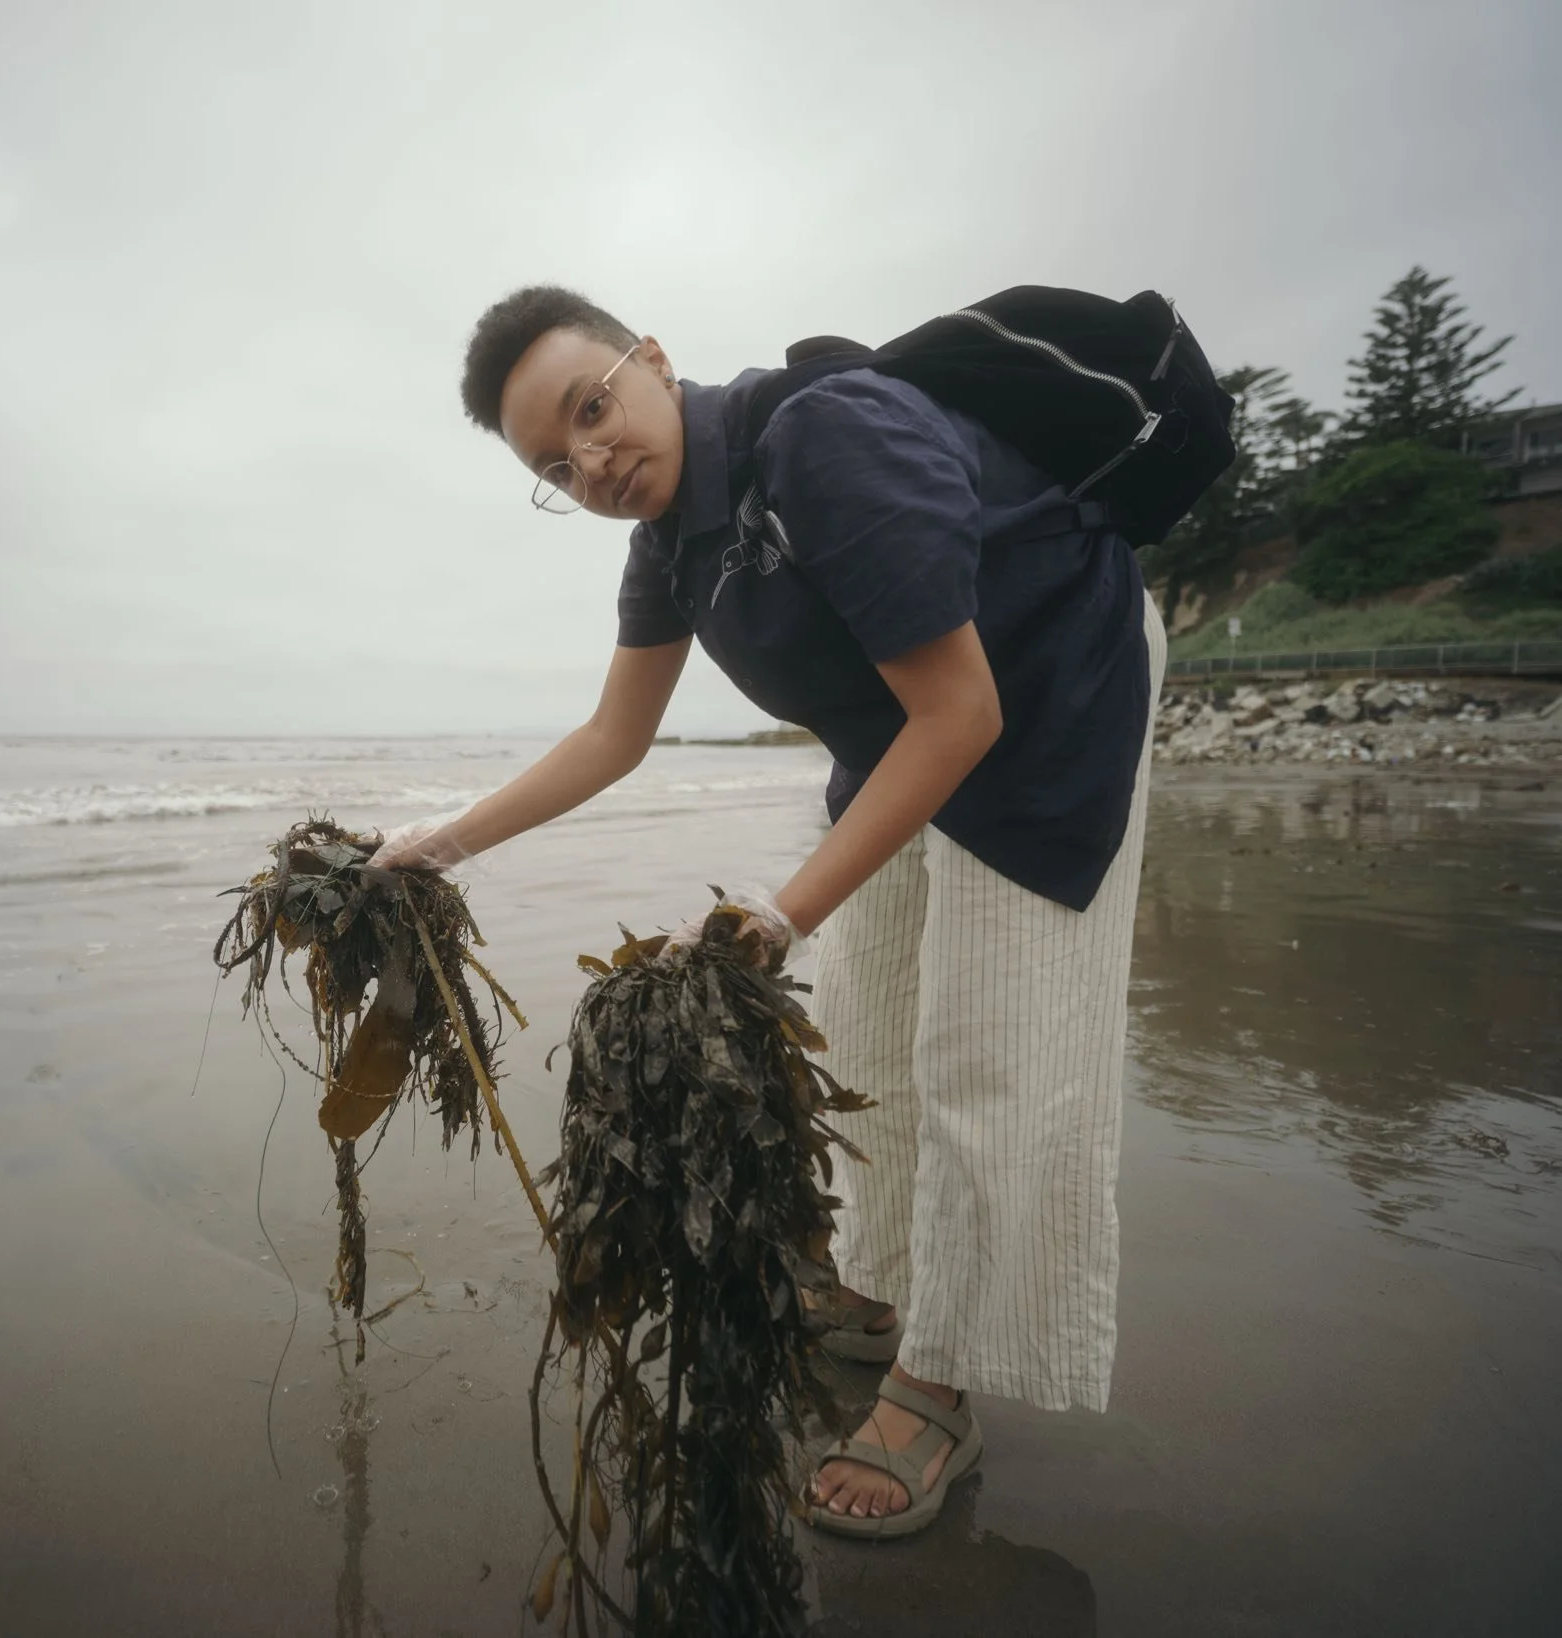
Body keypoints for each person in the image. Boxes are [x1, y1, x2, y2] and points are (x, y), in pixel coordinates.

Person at [374, 285, 1166, 1539]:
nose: (590, 461)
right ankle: (884, 1287)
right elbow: (613, 735)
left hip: (1047, 685)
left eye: (592, 409)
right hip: (900, 729)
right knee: (867, 1015)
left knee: (986, 1051)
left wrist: (781, 911)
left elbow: (963, 715)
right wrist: (441, 844)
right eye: (553, 466)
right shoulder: (667, 541)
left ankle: (937, 1385)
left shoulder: (822, 440)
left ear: (651, 359)